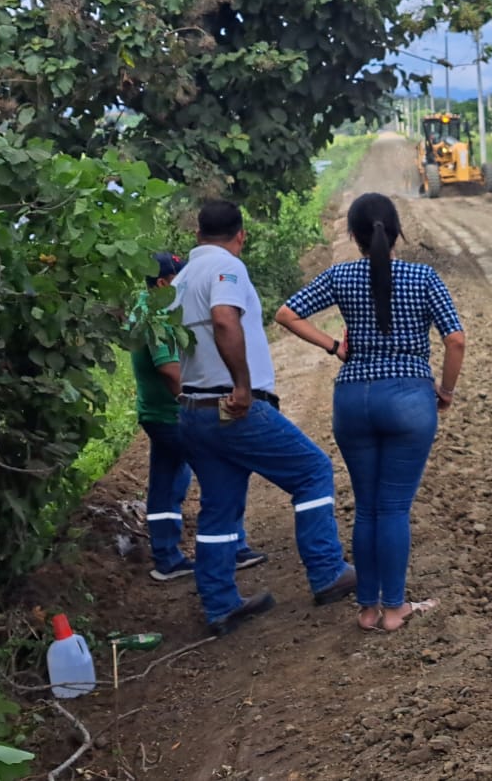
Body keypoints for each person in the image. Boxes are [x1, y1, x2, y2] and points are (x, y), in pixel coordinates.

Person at [275, 193, 465, 634]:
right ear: (397, 232)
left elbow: (286, 314)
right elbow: (455, 339)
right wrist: (446, 390)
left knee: (367, 508)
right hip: (409, 398)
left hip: (353, 399)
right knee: (394, 507)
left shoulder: (340, 275)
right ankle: (394, 609)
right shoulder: (423, 277)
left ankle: (367, 609)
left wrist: (334, 347)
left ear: (353, 235)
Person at [171, 201, 355, 636]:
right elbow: (224, 320)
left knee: (219, 507)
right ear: (241, 235)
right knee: (312, 470)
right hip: (232, 407)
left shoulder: (179, 280)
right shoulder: (226, 268)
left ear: (197, 234)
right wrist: (241, 385)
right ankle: (328, 571)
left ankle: (220, 604)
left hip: (193, 410)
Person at [131, 252, 268, 583]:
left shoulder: (142, 308)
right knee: (221, 470)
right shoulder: (159, 315)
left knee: (167, 482)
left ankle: (167, 558)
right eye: (178, 281)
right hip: (172, 413)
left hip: (156, 412)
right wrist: (196, 402)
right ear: (162, 283)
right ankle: (231, 548)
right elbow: (169, 370)